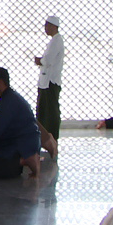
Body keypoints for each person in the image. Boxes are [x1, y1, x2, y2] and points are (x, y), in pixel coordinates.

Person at [34, 16, 65, 154]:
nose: (45, 28)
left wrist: (39, 61)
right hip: (46, 82)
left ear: (53, 26)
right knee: (44, 110)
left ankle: (51, 137)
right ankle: (45, 137)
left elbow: (48, 60)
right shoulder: (54, 41)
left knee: (50, 111)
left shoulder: (56, 41)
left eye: (47, 26)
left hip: (50, 82)